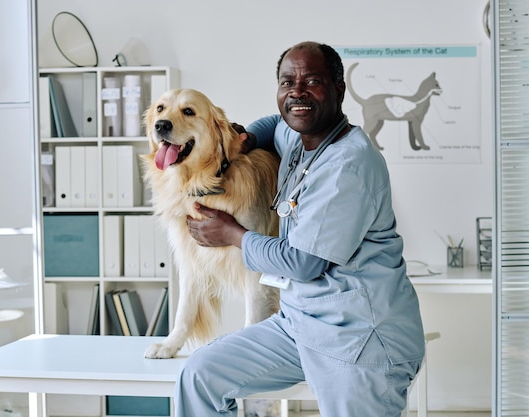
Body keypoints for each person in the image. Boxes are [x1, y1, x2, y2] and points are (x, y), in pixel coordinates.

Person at [179, 41, 425, 417]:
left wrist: (231, 234)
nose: (297, 92)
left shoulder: (349, 164)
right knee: (200, 376)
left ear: (339, 90)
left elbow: (303, 263)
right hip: (299, 324)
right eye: (286, 82)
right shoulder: (300, 137)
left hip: (358, 337)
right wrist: (248, 140)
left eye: (312, 81)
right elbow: (274, 123)